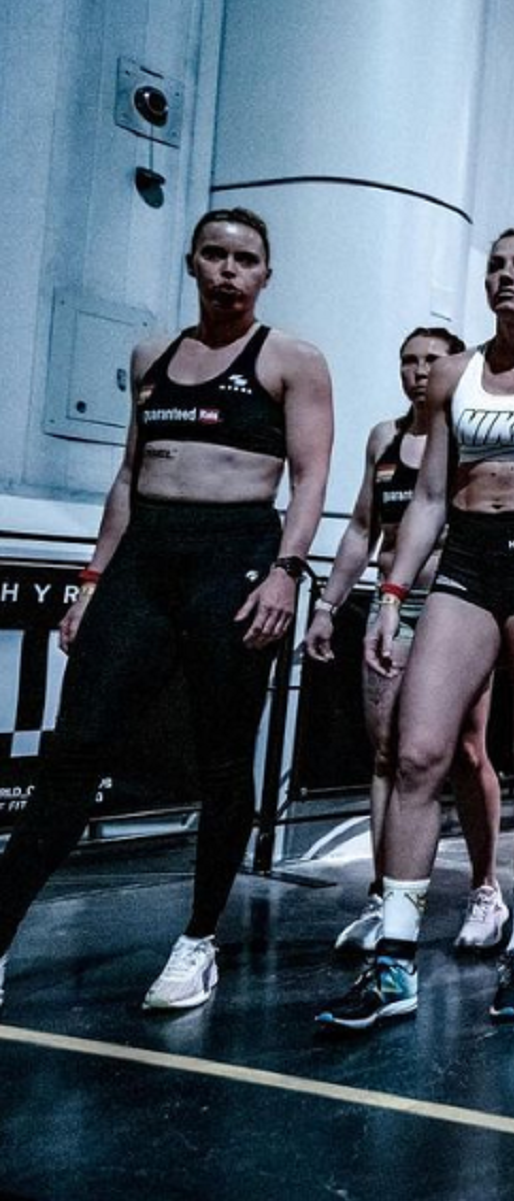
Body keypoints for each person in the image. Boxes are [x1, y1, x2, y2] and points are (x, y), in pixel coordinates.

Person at [0, 208, 332, 1013]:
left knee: (223, 760)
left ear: (265, 273)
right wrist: (91, 581)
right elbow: (126, 474)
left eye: (244, 259)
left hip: (235, 558)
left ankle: (199, 940)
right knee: (75, 752)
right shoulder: (153, 355)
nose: (228, 270)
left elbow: (312, 475)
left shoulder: (292, 359)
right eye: (214, 255)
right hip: (146, 557)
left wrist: (288, 571)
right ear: (191, 263)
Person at [315, 227, 514, 1030]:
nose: (506, 277)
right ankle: (394, 960)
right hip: (466, 563)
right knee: (418, 752)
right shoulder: (456, 374)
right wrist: (388, 597)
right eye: (496, 265)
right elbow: (426, 498)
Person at [305, 327, 505, 957]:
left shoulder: (471, 434)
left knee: (467, 752)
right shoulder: (384, 439)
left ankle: (485, 888)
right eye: (408, 360)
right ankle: (383, 893)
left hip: (457, 608)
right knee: (389, 756)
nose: (419, 372)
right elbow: (364, 529)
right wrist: (328, 605)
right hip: (392, 610)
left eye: (431, 361)